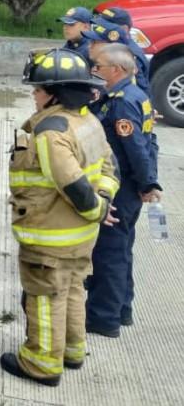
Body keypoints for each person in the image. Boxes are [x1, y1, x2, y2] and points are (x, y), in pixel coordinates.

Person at [1, 48, 118, 385]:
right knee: (72, 289)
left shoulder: (51, 133)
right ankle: (72, 350)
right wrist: (104, 202)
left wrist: (95, 209)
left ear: (55, 94)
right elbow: (110, 169)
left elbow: (74, 185)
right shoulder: (88, 121)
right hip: (79, 237)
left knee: (45, 297)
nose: (34, 96)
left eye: (37, 90)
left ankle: (42, 363)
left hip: (49, 235)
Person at [86, 44, 161, 337]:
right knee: (122, 250)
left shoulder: (122, 104)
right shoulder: (133, 95)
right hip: (129, 186)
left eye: (98, 67)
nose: (95, 71)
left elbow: (137, 149)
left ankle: (104, 318)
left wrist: (147, 183)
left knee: (110, 254)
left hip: (121, 187)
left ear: (116, 70)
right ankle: (122, 308)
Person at [82, 18, 152, 96]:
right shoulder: (104, 66)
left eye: (94, 42)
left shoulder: (124, 82)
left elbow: (140, 96)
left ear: (111, 47)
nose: (89, 46)